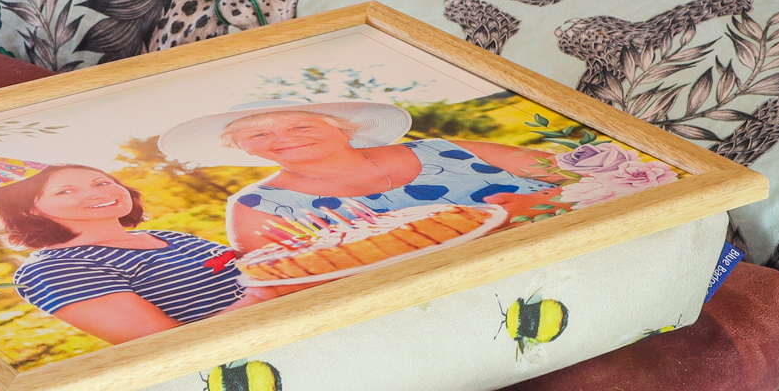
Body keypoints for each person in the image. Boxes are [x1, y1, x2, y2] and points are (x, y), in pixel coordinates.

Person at [157, 100, 565, 258]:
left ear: (344, 127)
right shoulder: (255, 209)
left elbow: (596, 175)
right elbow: (286, 285)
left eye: (301, 126)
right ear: (242, 148)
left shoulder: (446, 149)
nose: (282, 139)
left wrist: (546, 204)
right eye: (258, 134)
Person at [0, 164, 267, 342]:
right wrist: (266, 295)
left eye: (101, 182)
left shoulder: (169, 237)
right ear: (28, 210)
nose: (98, 193)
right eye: (65, 191)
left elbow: (257, 272)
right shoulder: (53, 269)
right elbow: (164, 344)